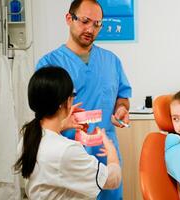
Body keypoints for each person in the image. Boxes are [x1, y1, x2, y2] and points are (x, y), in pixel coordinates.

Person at [36, 0, 132, 199]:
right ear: (69, 18)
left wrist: (121, 109)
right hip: (67, 156)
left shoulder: (111, 61)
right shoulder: (49, 64)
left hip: (105, 151)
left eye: (97, 24)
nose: (91, 29)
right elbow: (43, 118)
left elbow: (122, 97)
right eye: (85, 21)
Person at [14, 67, 122, 199]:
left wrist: (62, 124)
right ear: (65, 102)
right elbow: (112, 180)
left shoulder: (28, 137)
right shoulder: (66, 150)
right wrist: (112, 151)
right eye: (72, 95)